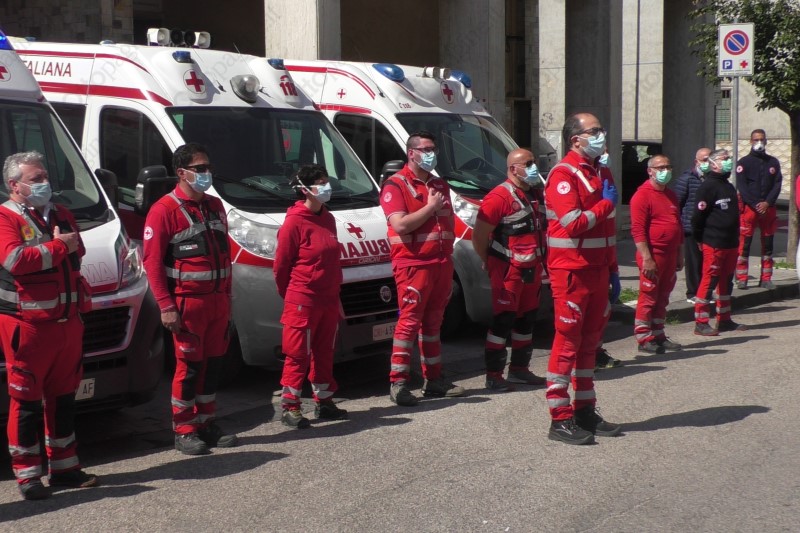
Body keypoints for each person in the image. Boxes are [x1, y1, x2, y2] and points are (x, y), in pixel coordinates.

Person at [0, 151, 98, 500]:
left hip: (67, 323)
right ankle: (28, 475)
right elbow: (14, 260)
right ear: (14, 185)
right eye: (36, 179)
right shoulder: (5, 217)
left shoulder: (61, 213)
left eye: (45, 176)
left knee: (64, 397)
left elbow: (79, 249)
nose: (45, 183)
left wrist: (60, 246)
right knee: (26, 401)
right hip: (28, 326)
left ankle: (65, 468)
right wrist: (57, 246)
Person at [142, 143, 238, 455]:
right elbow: (152, 263)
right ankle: (184, 430)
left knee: (213, 366)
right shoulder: (163, 211)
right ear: (182, 173)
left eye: (208, 167)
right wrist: (166, 307)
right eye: (200, 169)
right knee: (189, 368)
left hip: (217, 302)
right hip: (188, 305)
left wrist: (228, 299)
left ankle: (207, 423)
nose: (207, 173)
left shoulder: (215, 205)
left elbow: (225, 256)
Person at [543, 112, 622, 445]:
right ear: (576, 140)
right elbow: (574, 223)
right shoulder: (563, 174)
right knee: (567, 342)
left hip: (598, 269)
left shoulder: (600, 170)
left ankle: (585, 410)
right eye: (595, 131)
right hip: (571, 271)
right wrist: (605, 204)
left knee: (590, 343)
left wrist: (613, 269)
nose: (602, 135)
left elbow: (607, 227)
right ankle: (560, 418)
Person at [380, 131, 465, 406]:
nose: (431, 154)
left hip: (440, 263)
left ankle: (434, 380)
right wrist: (430, 207)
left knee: (433, 323)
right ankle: (399, 383)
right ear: (411, 153)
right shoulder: (395, 185)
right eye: (425, 149)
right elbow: (400, 225)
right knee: (408, 323)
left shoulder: (439, 184)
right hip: (413, 265)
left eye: (433, 149)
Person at [274, 164, 348, 428]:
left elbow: (332, 261)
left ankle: (324, 402)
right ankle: (290, 406)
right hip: (303, 298)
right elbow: (281, 266)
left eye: (326, 181)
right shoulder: (294, 222)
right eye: (320, 182)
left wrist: (336, 296)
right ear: (304, 189)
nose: (326, 187)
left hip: (328, 298)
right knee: (297, 355)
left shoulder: (328, 218)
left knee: (324, 352)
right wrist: (293, 295)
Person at [472, 148, 547, 391]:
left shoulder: (536, 194)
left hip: (532, 269)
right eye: (529, 163)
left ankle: (519, 370)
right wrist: (488, 260)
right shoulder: (498, 197)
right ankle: (493, 374)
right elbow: (479, 236)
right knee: (503, 321)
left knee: (527, 320)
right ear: (513, 169)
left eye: (534, 162)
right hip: (508, 270)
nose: (534, 167)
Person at [691, 148, 749, 336]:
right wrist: (699, 238)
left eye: (729, 158)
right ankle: (701, 322)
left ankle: (724, 319)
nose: (728, 161)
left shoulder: (728, 186)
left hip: (730, 242)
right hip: (714, 242)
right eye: (724, 158)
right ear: (714, 164)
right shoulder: (707, 187)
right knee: (709, 281)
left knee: (726, 282)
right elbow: (698, 217)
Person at [630, 154, 684, 354]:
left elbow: (677, 226)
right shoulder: (642, 196)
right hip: (653, 255)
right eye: (661, 168)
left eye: (668, 167)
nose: (665, 171)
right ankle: (644, 337)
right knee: (649, 296)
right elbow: (638, 230)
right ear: (650, 171)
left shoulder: (670, 195)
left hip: (670, 255)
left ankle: (658, 333)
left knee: (663, 296)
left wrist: (679, 253)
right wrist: (647, 258)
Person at [735, 129, 783, 290]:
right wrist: (756, 204)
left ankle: (766, 278)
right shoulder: (743, 163)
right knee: (744, 245)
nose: (759, 142)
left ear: (766, 141)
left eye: (762, 139)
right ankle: (742, 278)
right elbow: (742, 187)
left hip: (768, 209)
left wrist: (767, 202)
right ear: (750, 141)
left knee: (768, 245)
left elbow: (777, 184)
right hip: (750, 209)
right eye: (756, 140)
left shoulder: (773, 162)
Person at [594, 149, 622, 370]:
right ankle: (586, 356)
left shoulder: (604, 175)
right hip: (583, 263)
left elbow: (608, 232)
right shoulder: (576, 178)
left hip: (604, 257)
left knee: (602, 312)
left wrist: (613, 268)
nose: (605, 154)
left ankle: (596, 352)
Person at [673, 147, 712, 303]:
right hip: (690, 228)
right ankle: (692, 293)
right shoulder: (687, 179)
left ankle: (705, 291)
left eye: (710, 159)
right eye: (704, 160)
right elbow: (677, 203)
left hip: (708, 228)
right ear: (696, 161)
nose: (707, 163)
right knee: (694, 262)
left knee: (706, 263)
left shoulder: (712, 178)